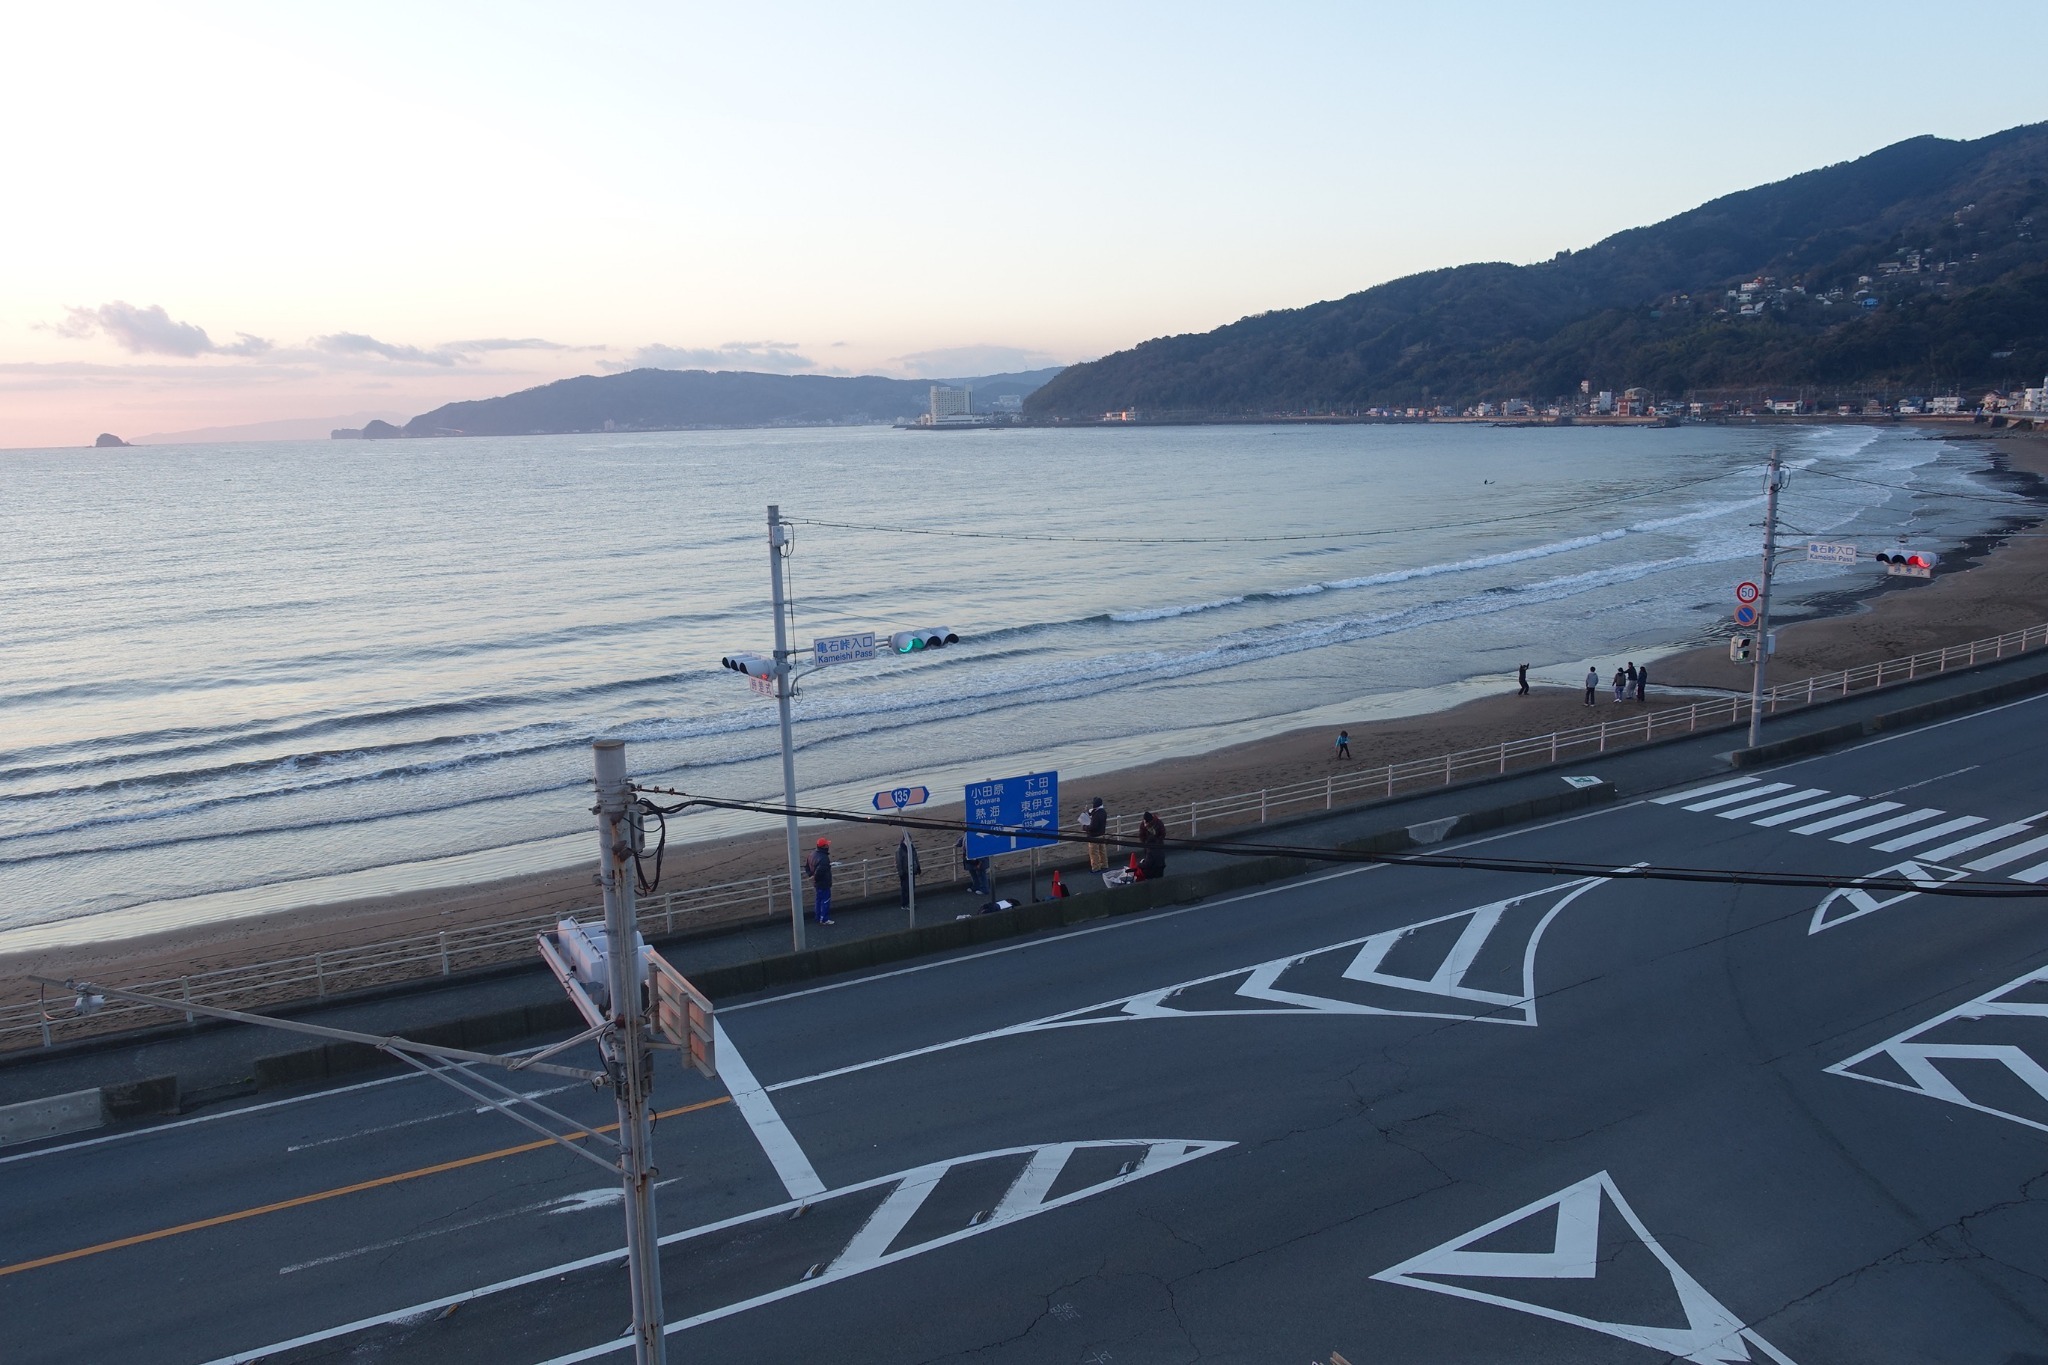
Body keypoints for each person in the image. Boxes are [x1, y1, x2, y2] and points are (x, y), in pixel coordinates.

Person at [804, 837, 834, 925]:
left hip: (816, 883)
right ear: (824, 846)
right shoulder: (824, 858)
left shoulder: (812, 854)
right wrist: (815, 877)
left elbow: (807, 867)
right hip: (823, 883)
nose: (828, 845)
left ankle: (818, 917)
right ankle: (824, 919)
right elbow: (820, 872)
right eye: (827, 844)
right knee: (825, 900)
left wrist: (811, 875)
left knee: (818, 900)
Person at [1081, 796, 1109, 872]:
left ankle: (1096, 868)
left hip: (1094, 836)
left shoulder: (1096, 814)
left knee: (1094, 853)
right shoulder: (1103, 812)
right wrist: (1088, 812)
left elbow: (1092, 827)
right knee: (1102, 851)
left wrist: (1084, 827)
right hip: (1102, 834)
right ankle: (1104, 865)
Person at [1138, 810, 1167, 881]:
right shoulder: (1157, 823)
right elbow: (1141, 836)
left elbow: (1162, 834)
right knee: (1157, 863)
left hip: (1154, 846)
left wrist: (1139, 865)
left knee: (1150, 863)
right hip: (1154, 847)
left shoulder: (1158, 823)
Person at [894, 834, 920, 909]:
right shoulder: (900, 850)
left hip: (912, 870)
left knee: (912, 887)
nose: (909, 840)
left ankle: (910, 902)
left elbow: (915, 857)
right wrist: (901, 873)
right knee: (905, 888)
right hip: (905, 872)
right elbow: (899, 863)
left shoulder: (912, 847)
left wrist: (918, 867)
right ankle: (904, 904)